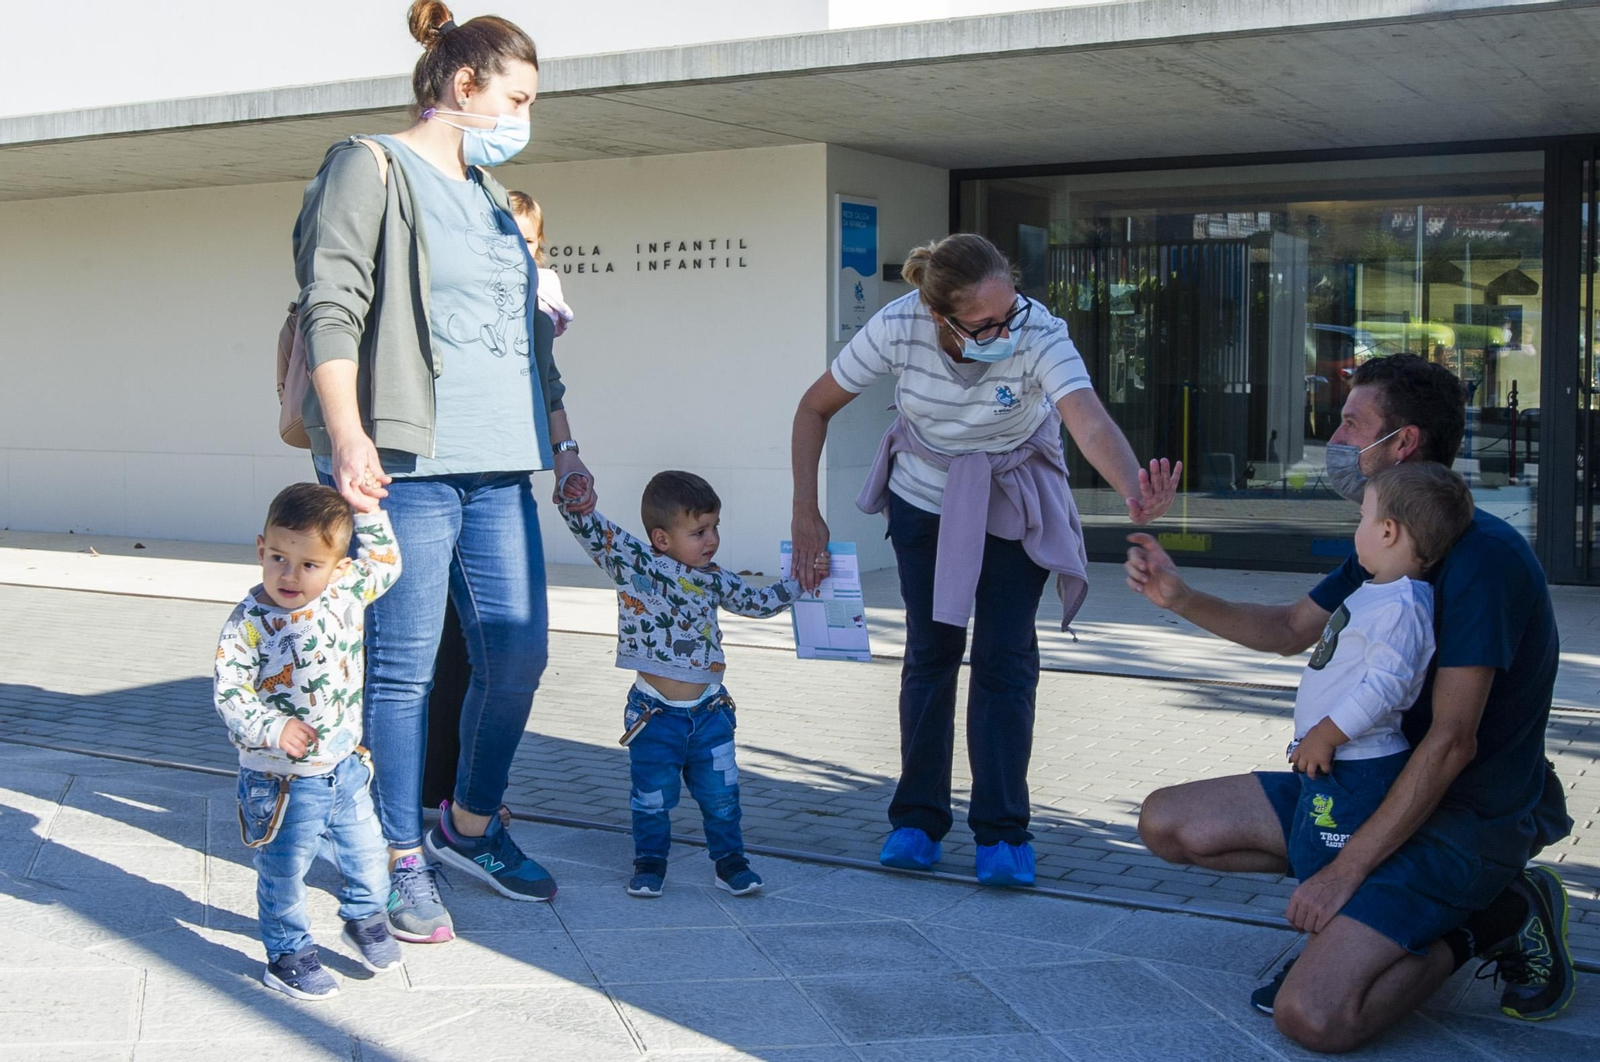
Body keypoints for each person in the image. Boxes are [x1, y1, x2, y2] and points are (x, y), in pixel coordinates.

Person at [1130, 354, 1575, 1053]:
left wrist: (1345, 871)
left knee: (1313, 1018)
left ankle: (1493, 916)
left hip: (1464, 819)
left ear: (1403, 444)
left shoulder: (1482, 558)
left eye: (1350, 423)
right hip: (1371, 787)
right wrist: (1179, 597)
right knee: (1169, 822)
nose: (1334, 437)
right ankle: (1369, 920)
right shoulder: (1388, 541)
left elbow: (1452, 743)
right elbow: (1287, 630)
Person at [291, 2, 598, 943]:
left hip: (503, 464)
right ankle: (395, 854)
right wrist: (347, 437)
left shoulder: (496, 207)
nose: (522, 120)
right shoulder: (368, 166)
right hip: (408, 462)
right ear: (463, 86)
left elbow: (530, 343)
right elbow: (330, 307)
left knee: (517, 656)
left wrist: (566, 442)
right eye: (516, 98)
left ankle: (468, 823)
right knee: (403, 671)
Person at [789, 233, 1178, 886]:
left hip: (1010, 497)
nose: (1004, 329)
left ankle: (1002, 833)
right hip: (925, 498)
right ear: (940, 316)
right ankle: (916, 821)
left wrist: (1133, 488)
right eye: (984, 324)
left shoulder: (1036, 330)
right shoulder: (899, 326)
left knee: (1004, 657)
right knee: (932, 651)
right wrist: (806, 510)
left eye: (1009, 312)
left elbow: (1084, 417)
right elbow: (812, 407)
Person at [557, 470, 827, 897]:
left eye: (715, 527)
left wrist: (803, 580)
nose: (712, 539)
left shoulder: (715, 577)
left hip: (710, 712)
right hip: (654, 715)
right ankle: (649, 863)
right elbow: (592, 528)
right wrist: (573, 494)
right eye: (699, 531)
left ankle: (730, 863)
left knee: (722, 797)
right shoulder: (634, 562)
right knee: (651, 798)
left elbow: (756, 603)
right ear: (662, 539)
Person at [213, 484, 402, 1000]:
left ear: (338, 567)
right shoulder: (250, 623)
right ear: (261, 549)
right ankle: (287, 952)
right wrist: (272, 728)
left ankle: (365, 918)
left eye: (309, 564)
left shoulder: (346, 591)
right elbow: (230, 689)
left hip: (344, 768)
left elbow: (385, 565)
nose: (289, 575)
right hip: (281, 781)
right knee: (284, 871)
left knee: (367, 854)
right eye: (278, 557)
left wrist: (369, 512)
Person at [1279, 464, 1471, 888]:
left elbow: (1386, 687)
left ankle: (1336, 948)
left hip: (1358, 768)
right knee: (1310, 854)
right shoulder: (1378, 593)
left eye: (1361, 517)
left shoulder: (1401, 606)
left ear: (1387, 532)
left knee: (1331, 868)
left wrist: (1326, 734)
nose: (1357, 528)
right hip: (1338, 761)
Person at [508, 191, 574, 337]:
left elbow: (553, 327)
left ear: (539, 241)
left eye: (528, 241)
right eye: (511, 238)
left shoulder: (545, 281)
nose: (521, 248)